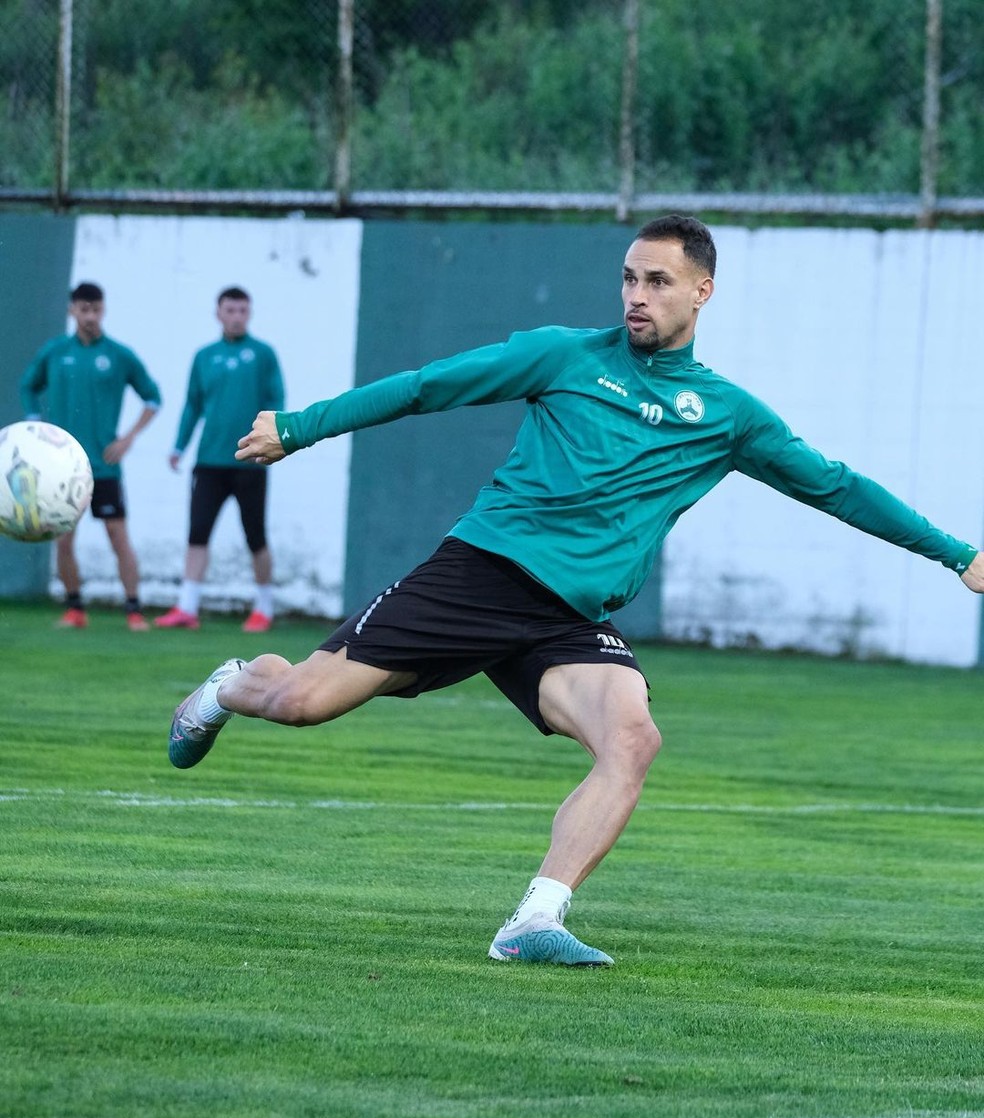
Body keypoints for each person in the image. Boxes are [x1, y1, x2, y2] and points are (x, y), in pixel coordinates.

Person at [166, 215, 984, 967]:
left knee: (633, 741)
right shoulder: (564, 355)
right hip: (479, 575)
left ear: (703, 291)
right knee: (302, 702)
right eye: (629, 278)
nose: (636, 296)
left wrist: (957, 553)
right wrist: (301, 425)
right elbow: (426, 386)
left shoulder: (729, 416)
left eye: (658, 281)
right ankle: (228, 685)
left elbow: (836, 487)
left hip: (567, 619)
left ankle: (534, 921)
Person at [20, 281, 162, 631]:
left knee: (118, 536)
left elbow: (153, 397)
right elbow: (28, 385)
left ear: (103, 310)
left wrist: (128, 439)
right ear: (72, 310)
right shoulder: (55, 352)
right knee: (64, 539)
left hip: (105, 466)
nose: (90, 316)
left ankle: (133, 610)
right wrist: (35, 425)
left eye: (96, 309)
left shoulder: (118, 354)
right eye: (83, 309)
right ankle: (75, 609)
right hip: (62, 466)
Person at [155, 287, 285, 633]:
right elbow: (192, 404)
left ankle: (264, 609)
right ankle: (187, 607)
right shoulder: (204, 356)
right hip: (209, 462)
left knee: (255, 534)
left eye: (243, 310)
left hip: (250, 460)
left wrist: (275, 444)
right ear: (219, 313)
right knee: (198, 532)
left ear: (249, 313)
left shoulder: (263, 355)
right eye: (231, 310)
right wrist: (179, 447)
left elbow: (277, 401)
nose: (237, 316)